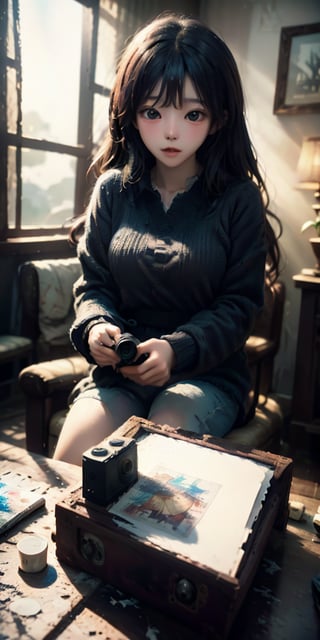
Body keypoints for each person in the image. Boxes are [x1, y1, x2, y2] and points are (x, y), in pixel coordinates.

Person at [53, 13, 281, 465]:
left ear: (218, 119)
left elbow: (239, 307)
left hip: (206, 376)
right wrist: (97, 327)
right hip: (120, 375)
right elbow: (93, 287)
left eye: (192, 113)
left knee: (157, 461)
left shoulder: (239, 199)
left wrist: (177, 349)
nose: (171, 131)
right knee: (69, 465)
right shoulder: (113, 190)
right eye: (153, 112)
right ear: (131, 115)